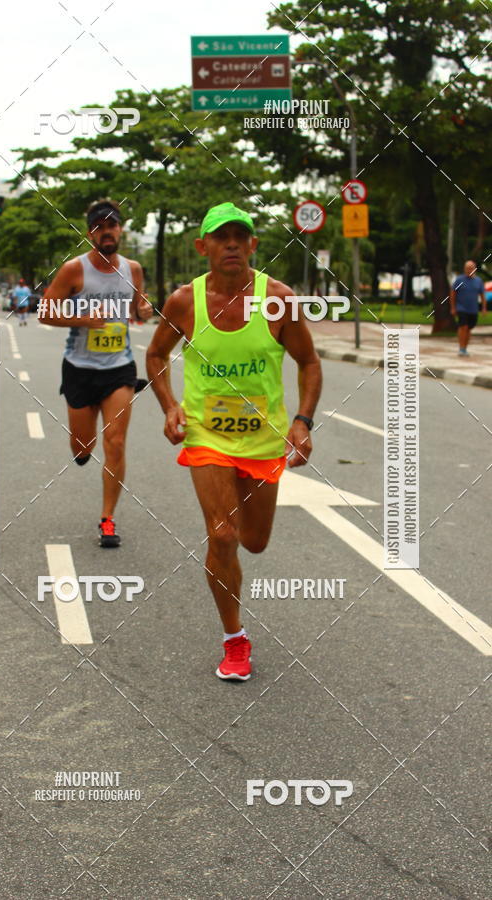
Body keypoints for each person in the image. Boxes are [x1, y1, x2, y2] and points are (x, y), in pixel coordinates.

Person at [146, 202, 322, 681]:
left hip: (264, 441)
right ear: (202, 247)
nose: (231, 245)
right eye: (221, 238)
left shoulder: (278, 299)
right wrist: (170, 405)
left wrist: (303, 421)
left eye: (240, 237)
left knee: (254, 542)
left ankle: (235, 569)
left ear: (253, 246)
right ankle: (234, 639)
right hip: (207, 435)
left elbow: (309, 362)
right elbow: (156, 355)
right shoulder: (185, 301)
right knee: (222, 535)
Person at [38, 198, 153, 547]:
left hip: (119, 367)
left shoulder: (132, 268)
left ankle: (107, 519)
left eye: (112, 225)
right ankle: (82, 449)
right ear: (91, 233)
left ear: (120, 229)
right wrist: (82, 319)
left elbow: (139, 306)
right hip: (79, 368)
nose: (107, 232)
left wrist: (145, 309)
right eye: (100, 227)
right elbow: (45, 311)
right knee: (83, 447)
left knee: (115, 443)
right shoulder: (74, 270)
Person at [450, 260, 486, 356]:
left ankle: (465, 348)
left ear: (474, 269)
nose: (469, 270)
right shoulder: (459, 280)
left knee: (469, 328)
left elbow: (482, 295)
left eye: (471, 268)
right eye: (467, 268)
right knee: (463, 327)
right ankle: (461, 348)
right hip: (461, 308)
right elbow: (453, 294)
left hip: (473, 309)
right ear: (464, 269)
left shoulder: (478, 281)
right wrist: (453, 307)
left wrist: (484, 308)